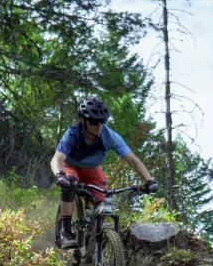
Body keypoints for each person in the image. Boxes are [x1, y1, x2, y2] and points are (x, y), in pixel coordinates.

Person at [52, 97, 158, 249]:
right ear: (83, 120)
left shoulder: (109, 136)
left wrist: (149, 180)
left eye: (102, 121)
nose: (99, 126)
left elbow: (133, 159)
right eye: (94, 122)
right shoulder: (73, 133)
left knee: (102, 201)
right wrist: (60, 175)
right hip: (70, 165)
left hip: (92, 168)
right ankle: (65, 232)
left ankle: (94, 242)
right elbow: (57, 159)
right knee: (69, 185)